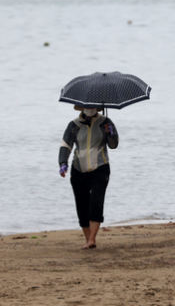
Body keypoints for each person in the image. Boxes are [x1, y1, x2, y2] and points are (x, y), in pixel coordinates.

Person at [58, 106, 118, 249]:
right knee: (82, 204)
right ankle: (88, 239)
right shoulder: (74, 125)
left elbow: (113, 145)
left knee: (96, 202)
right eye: (87, 106)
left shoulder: (105, 122)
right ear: (82, 108)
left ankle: (92, 239)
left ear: (98, 107)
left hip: (100, 167)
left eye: (93, 106)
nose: (90, 109)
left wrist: (111, 133)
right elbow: (66, 145)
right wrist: (62, 163)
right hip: (78, 169)